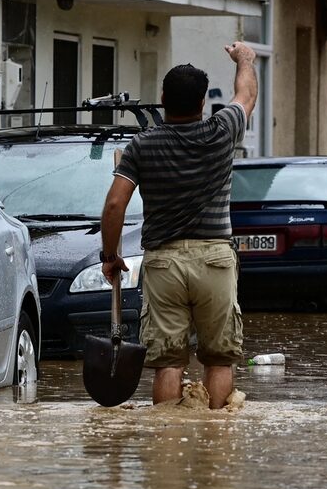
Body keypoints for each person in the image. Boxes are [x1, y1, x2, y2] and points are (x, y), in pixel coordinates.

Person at [99, 42, 258, 409]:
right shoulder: (222, 132)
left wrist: (110, 256)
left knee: (168, 363)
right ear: (203, 103)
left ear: (162, 98)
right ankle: (216, 445)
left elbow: (114, 204)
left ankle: (168, 447)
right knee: (218, 358)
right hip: (215, 260)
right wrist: (245, 59)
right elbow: (246, 93)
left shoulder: (142, 145)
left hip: (163, 263)